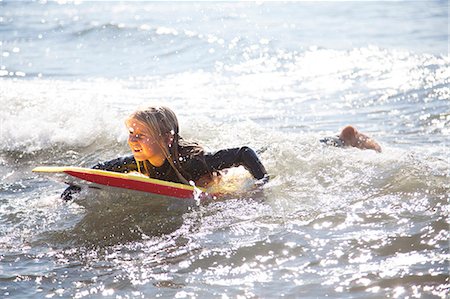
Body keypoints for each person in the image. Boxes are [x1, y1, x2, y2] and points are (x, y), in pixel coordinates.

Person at [62, 106, 268, 200]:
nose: (132, 140)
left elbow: (243, 153)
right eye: (131, 133)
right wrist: (71, 191)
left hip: (208, 180)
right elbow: (98, 172)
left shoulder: (192, 162)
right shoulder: (136, 161)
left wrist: (261, 186)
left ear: (166, 138)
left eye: (141, 135)